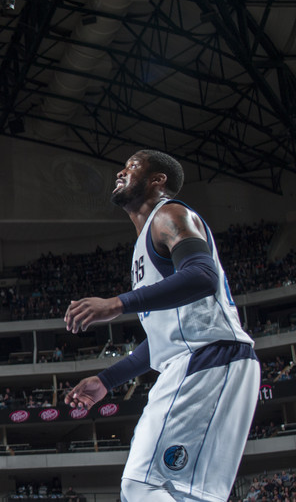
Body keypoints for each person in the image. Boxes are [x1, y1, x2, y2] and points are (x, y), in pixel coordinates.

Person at [63, 150, 259, 502]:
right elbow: (164, 339)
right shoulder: (144, 244)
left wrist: (117, 303)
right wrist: (108, 380)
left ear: (157, 180)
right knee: (183, 493)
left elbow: (202, 276)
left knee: (142, 485)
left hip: (207, 358)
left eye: (132, 166)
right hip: (200, 359)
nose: (121, 171)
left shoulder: (170, 214)